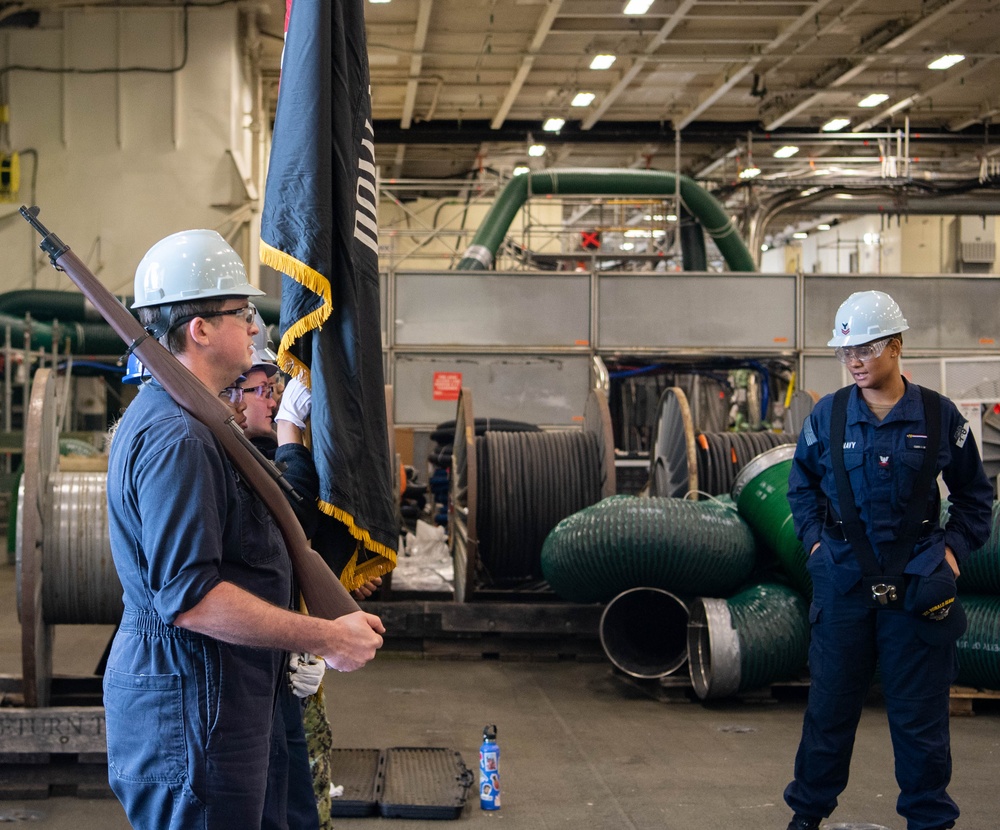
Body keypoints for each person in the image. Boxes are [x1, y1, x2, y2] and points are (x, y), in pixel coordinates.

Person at [104, 229, 384, 830]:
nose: (255, 327)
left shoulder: (200, 423)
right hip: (194, 710)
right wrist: (325, 637)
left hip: (223, 701)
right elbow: (191, 599)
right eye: (240, 312)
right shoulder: (178, 436)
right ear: (199, 329)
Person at [783, 290, 993, 830]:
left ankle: (929, 822)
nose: (853, 361)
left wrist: (950, 552)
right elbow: (800, 488)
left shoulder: (938, 416)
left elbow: (975, 495)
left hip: (918, 586)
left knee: (920, 721)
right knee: (828, 715)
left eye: (866, 349)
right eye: (845, 351)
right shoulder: (827, 417)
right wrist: (814, 547)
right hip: (844, 586)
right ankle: (806, 817)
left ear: (896, 346)